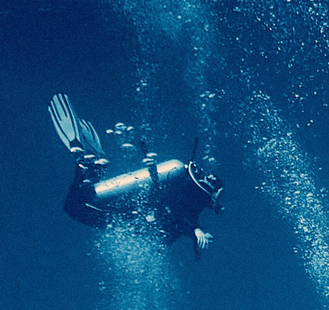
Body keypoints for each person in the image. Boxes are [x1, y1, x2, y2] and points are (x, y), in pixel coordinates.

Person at [49, 93, 223, 255]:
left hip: (134, 209)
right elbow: (180, 214)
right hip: (133, 215)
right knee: (73, 207)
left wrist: (195, 231)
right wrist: (196, 231)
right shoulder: (191, 201)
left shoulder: (188, 193)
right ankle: (83, 163)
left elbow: (181, 214)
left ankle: (94, 166)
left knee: (84, 199)